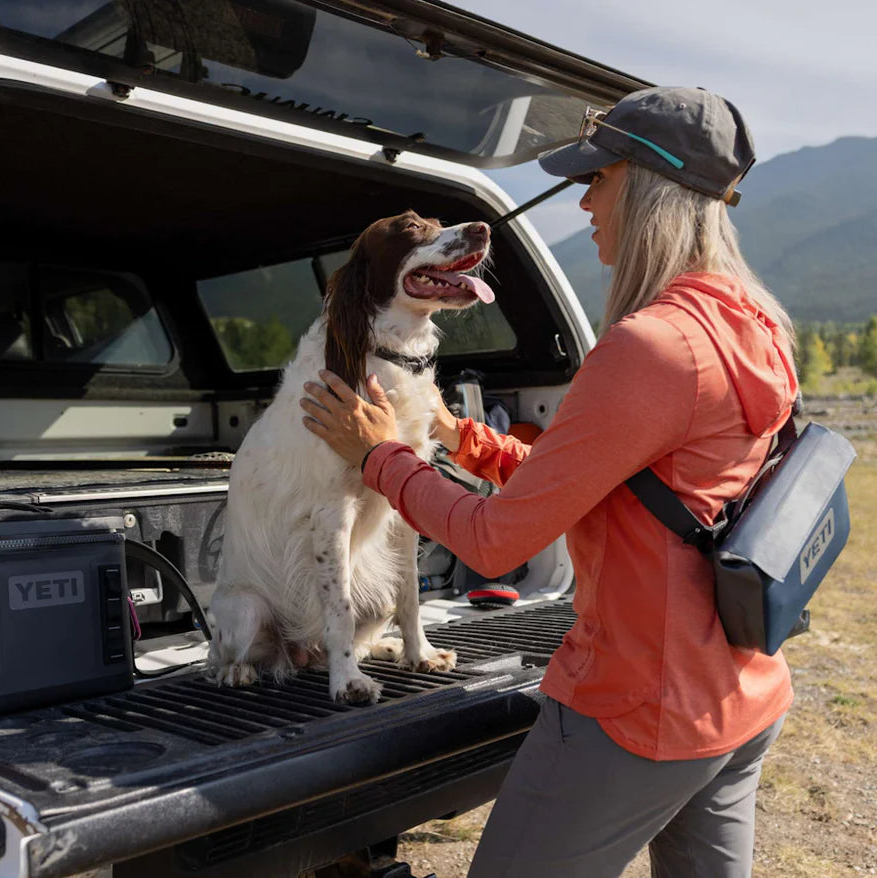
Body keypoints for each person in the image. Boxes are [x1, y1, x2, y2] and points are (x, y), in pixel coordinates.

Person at [300, 86, 798, 877]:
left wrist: (378, 456)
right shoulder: (751, 321)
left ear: (641, 185)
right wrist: (466, 438)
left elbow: (493, 542)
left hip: (638, 705)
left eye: (595, 178)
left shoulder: (649, 347)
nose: (584, 200)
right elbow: (630, 480)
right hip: (739, 690)